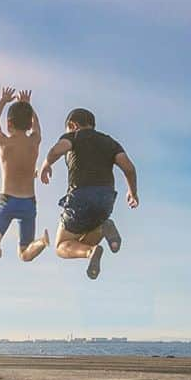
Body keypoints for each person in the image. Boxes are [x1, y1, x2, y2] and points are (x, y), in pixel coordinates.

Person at [40, 108, 139, 280]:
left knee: (62, 246)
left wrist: (46, 164)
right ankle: (103, 228)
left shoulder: (74, 136)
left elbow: (57, 150)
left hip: (80, 198)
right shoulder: (110, 142)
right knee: (86, 236)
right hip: (106, 201)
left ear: (73, 125)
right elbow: (129, 168)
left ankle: (90, 251)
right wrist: (132, 192)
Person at [0, 87, 49, 262]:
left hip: (8, 201)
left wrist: (3, 100)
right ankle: (41, 242)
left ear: (9, 123)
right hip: (28, 203)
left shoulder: (4, 143)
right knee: (25, 254)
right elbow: (37, 127)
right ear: (29, 124)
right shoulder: (34, 142)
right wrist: (28, 106)